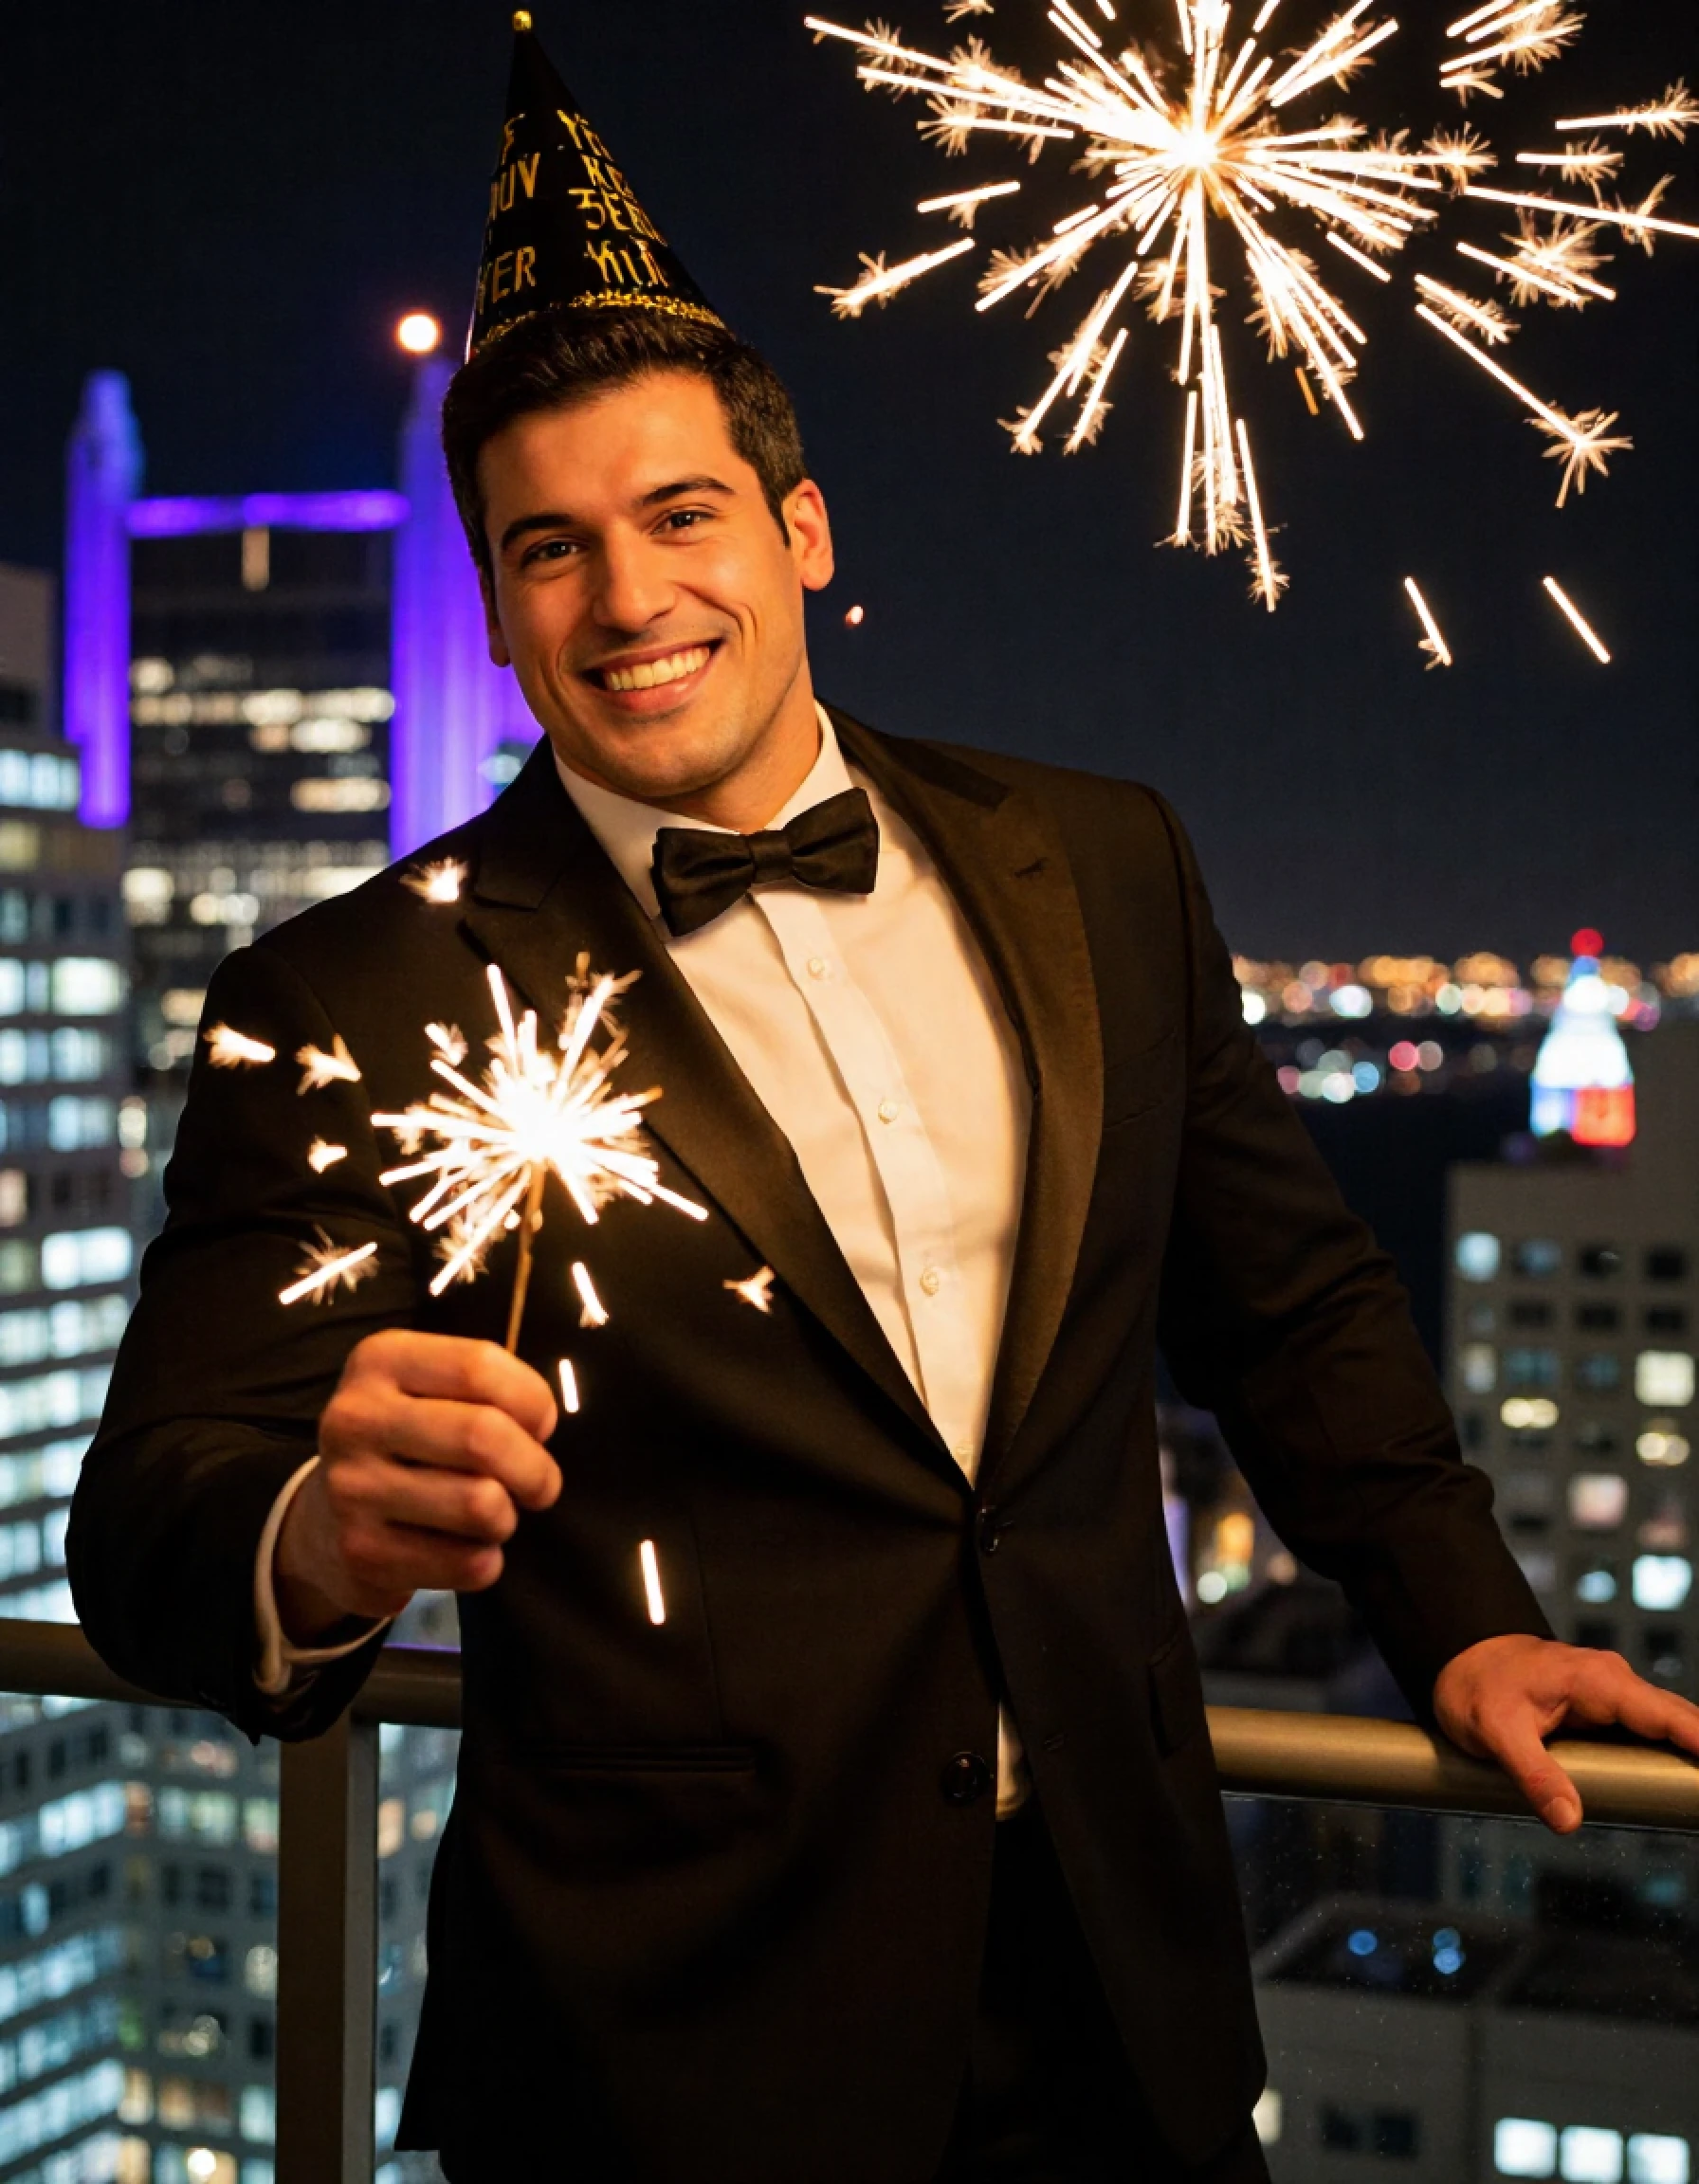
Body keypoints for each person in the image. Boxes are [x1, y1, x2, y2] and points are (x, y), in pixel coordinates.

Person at [67, 17, 1699, 2183]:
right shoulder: (351, 990)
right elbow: (141, 1526)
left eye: (678, 514)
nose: (629, 598)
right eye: (548, 550)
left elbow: (1284, 1303)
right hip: (665, 2058)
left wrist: (1464, 1618)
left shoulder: (1100, 856)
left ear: (802, 525)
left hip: (1122, 1991)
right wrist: (323, 1533)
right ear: (494, 601)